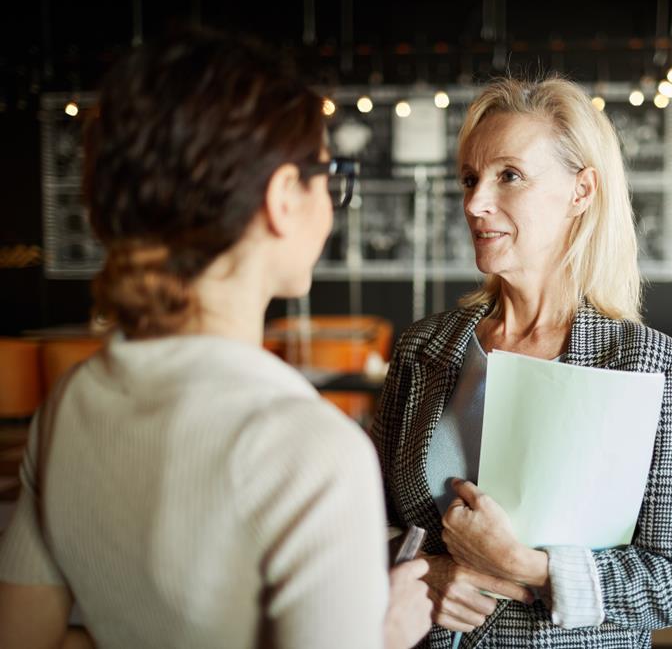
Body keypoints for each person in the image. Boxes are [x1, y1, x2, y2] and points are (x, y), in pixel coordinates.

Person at [0, 31, 431, 649]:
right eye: (328, 173)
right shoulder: (312, 450)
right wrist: (383, 633)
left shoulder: (67, 405)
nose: (333, 199)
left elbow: (22, 639)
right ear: (283, 197)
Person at [370, 76, 672, 648]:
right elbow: (365, 527)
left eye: (509, 175)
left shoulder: (648, 366)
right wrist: (432, 573)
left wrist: (530, 567)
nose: (475, 203)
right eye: (470, 179)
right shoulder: (421, 349)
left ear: (581, 192)